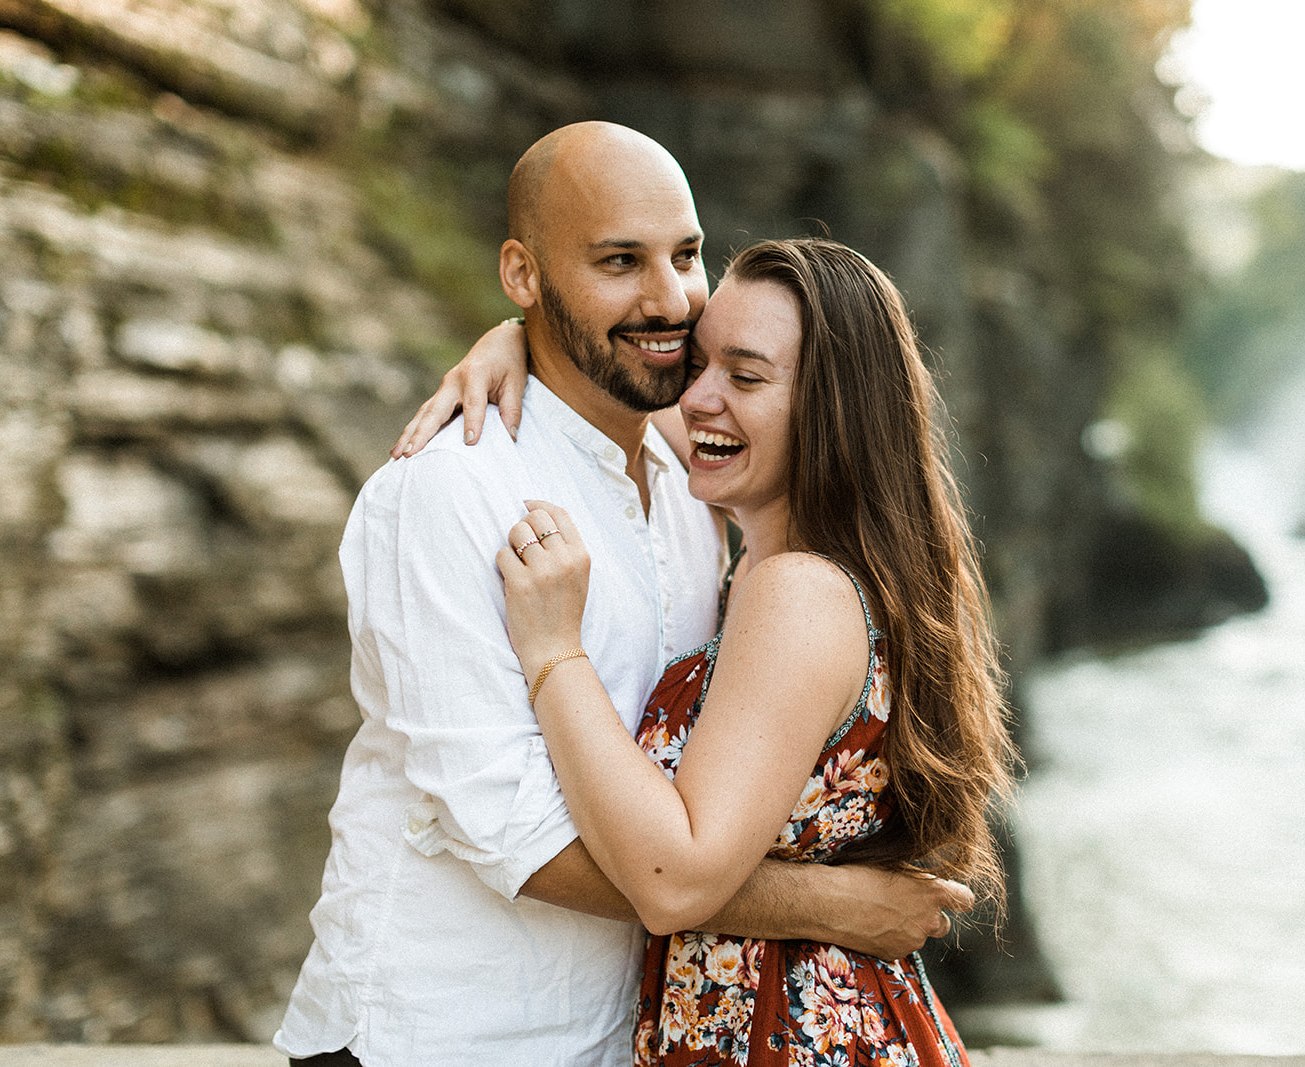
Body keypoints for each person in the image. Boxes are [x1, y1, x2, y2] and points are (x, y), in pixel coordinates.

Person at [274, 123, 971, 1067]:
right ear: (524, 276)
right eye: (618, 261)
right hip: (444, 1034)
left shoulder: (690, 487)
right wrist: (827, 901)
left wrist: (530, 339)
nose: (670, 298)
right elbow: (516, 832)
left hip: (613, 1039)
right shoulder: (450, 490)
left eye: (686, 255)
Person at [466, 238, 1016, 1064]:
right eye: (698, 362)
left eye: (746, 377)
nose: (699, 399)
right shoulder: (788, 553)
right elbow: (632, 400)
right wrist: (521, 337)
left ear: (833, 410)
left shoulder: (797, 591)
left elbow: (674, 881)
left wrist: (554, 654)